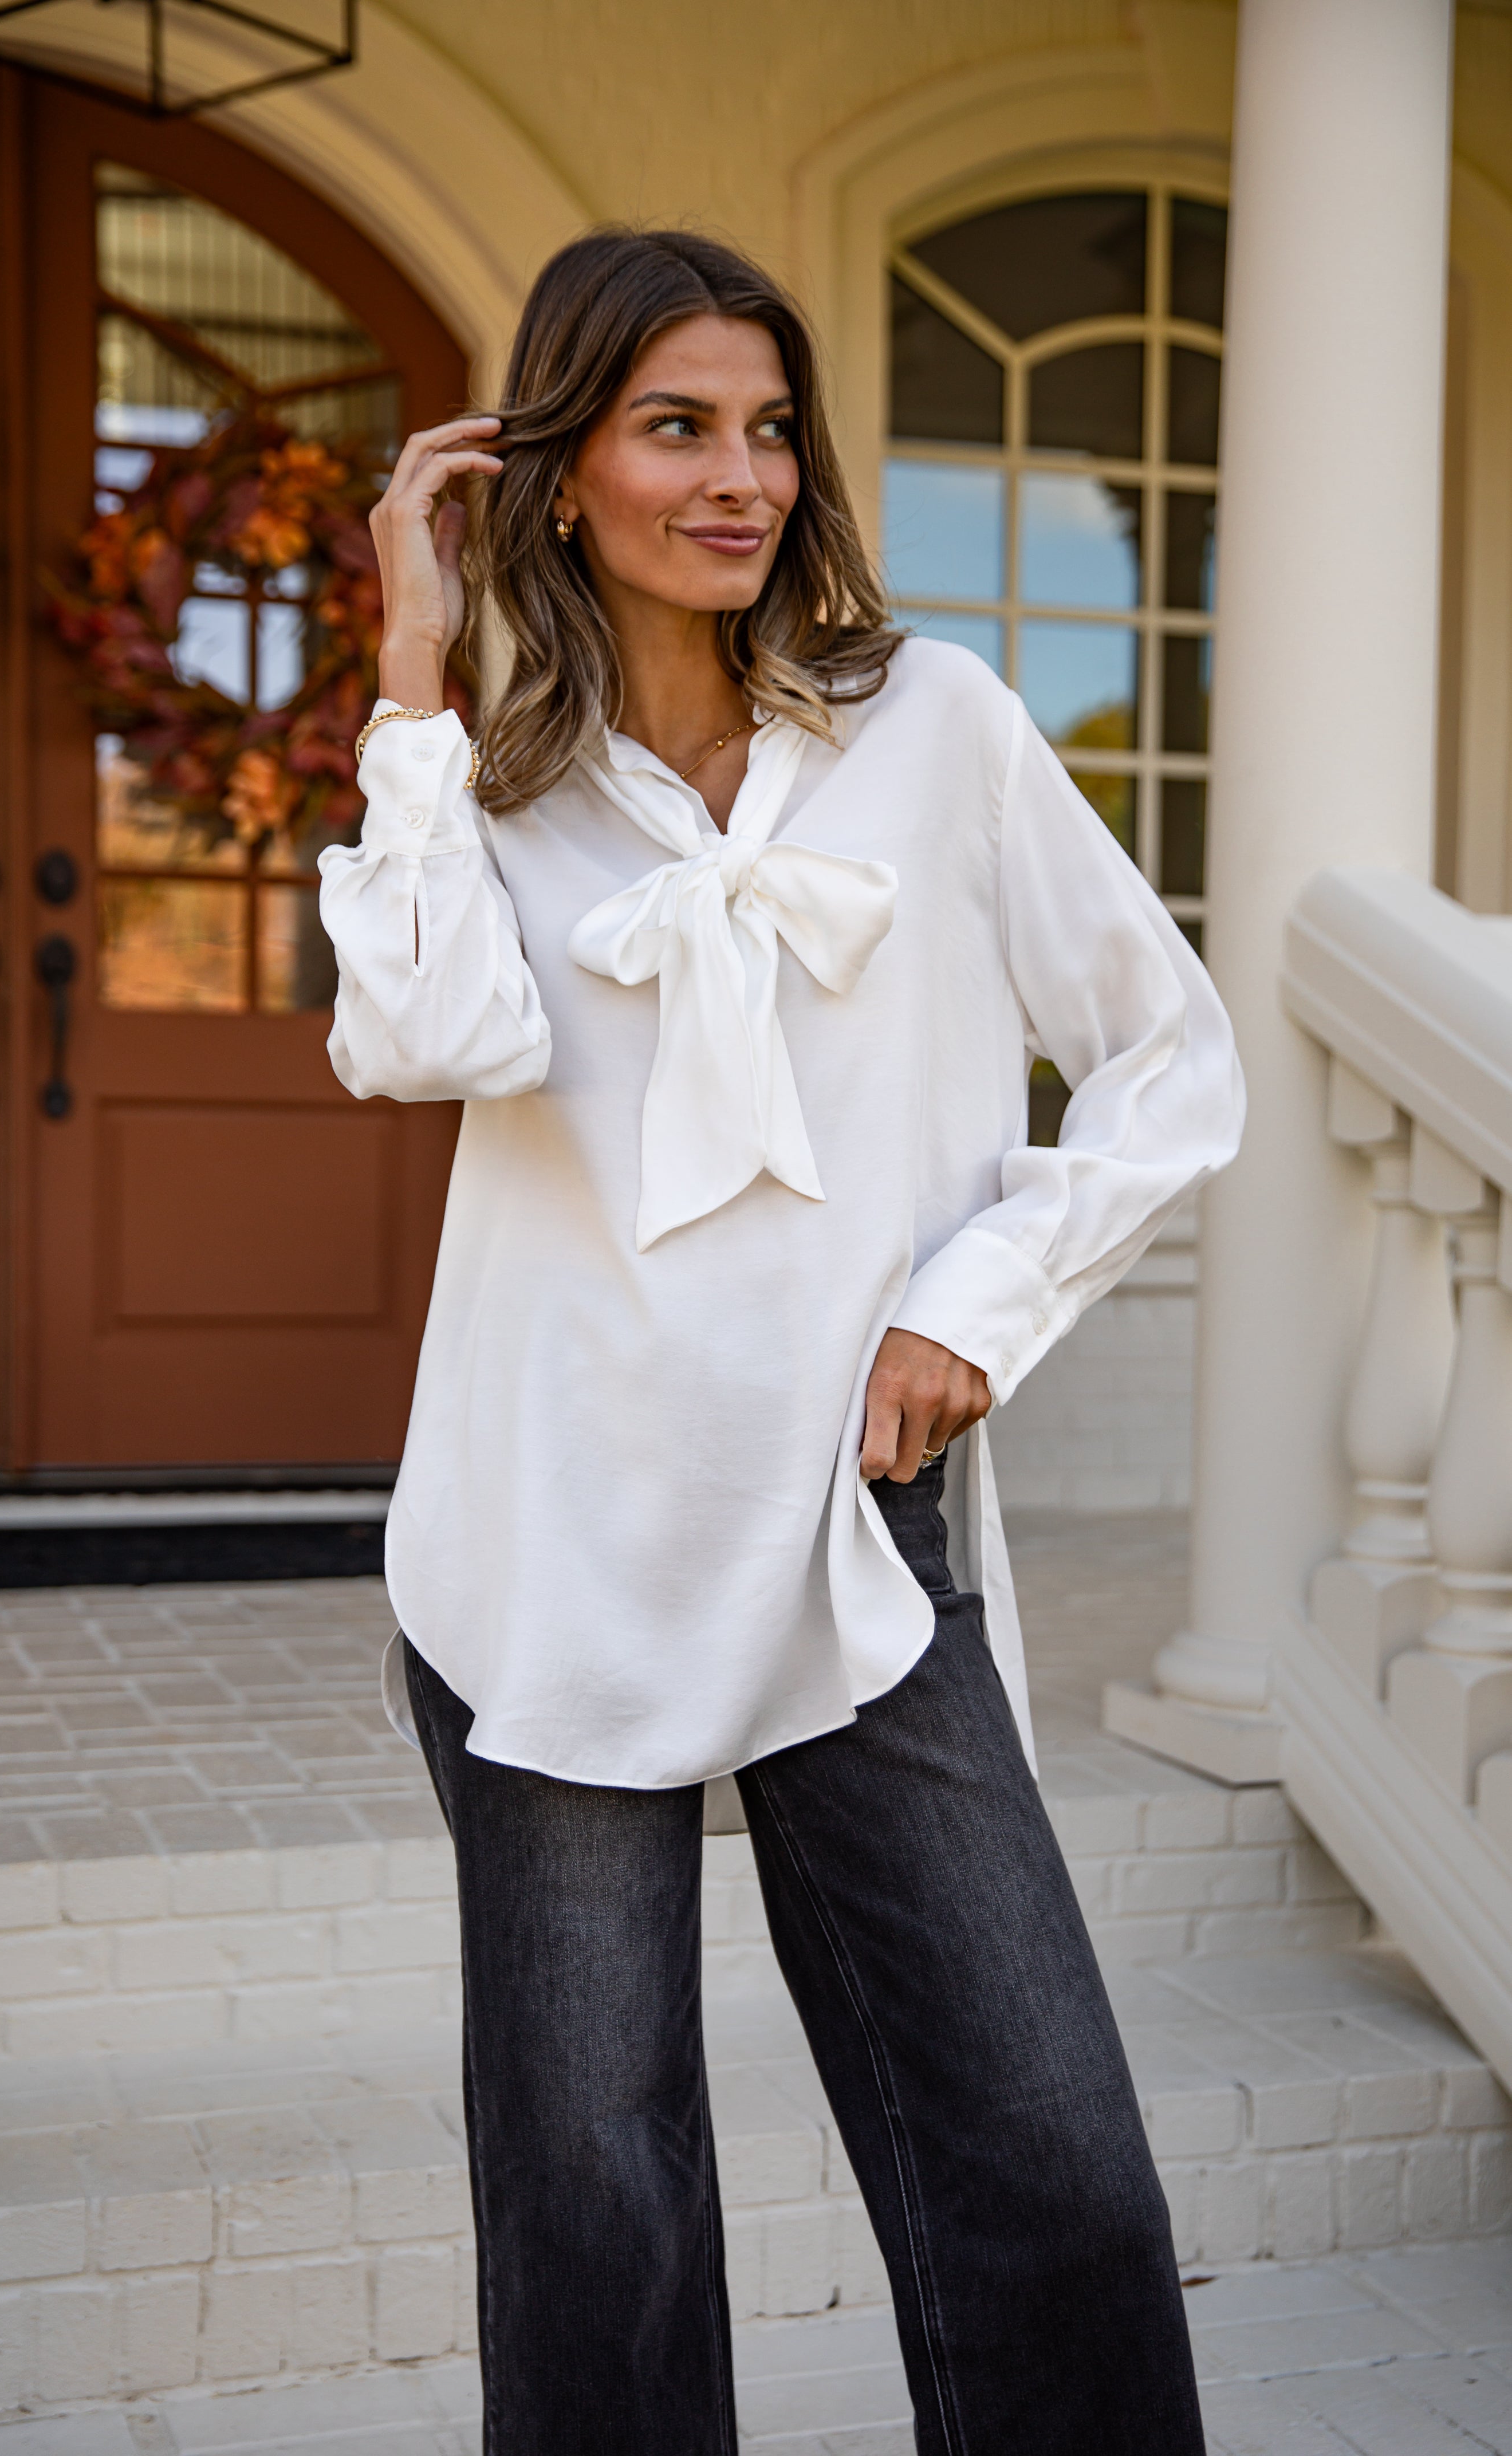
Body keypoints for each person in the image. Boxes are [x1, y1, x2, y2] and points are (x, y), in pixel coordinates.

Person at [319, 225, 1243, 2456]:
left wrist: (969, 1305)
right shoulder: (493, 789)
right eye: (671, 428)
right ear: (559, 472)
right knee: (594, 2208)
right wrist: (412, 678)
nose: (737, 476)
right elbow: (419, 1034)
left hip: (858, 1527)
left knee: (1051, 2175)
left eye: (763, 428)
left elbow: (1168, 1055)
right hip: (552, 1542)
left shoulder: (936, 731)